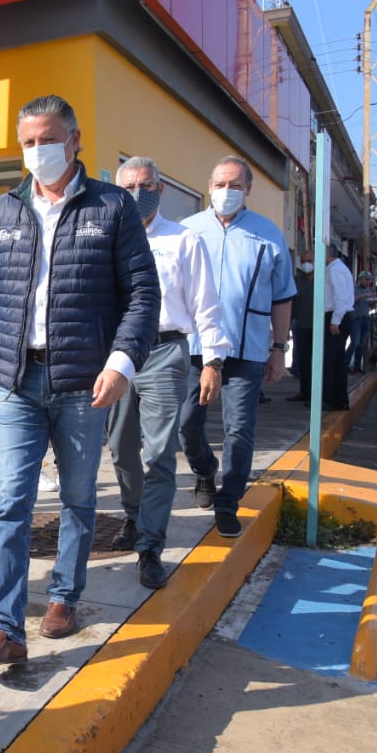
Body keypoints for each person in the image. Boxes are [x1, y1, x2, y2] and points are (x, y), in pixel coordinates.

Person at [0, 95, 159, 664]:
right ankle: (5, 627)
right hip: (18, 382)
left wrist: (121, 363)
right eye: (26, 142)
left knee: (76, 498)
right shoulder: (3, 210)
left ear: (74, 140)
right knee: (12, 504)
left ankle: (65, 597)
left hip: (83, 383)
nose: (37, 151)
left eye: (47, 139)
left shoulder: (113, 207)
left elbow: (143, 294)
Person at [105, 157, 230, 590]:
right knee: (120, 449)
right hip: (118, 355)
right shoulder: (109, 238)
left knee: (158, 454)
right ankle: (133, 515)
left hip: (165, 352)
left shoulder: (183, 240)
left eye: (145, 186)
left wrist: (213, 361)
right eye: (128, 187)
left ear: (159, 189)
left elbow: (205, 304)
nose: (137, 194)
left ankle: (150, 547)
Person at [179, 156, 295, 540]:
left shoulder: (268, 234)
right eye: (219, 183)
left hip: (247, 350)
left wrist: (278, 348)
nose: (225, 191)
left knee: (240, 430)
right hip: (194, 348)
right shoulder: (188, 231)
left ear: (248, 189)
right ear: (208, 186)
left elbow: (282, 297)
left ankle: (228, 503)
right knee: (186, 423)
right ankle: (203, 470)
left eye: (234, 184)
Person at [322, 245, 355, 411]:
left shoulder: (335, 270)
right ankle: (336, 399)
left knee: (331, 361)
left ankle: (332, 399)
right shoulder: (337, 268)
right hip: (336, 315)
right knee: (334, 361)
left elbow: (341, 297)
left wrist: (335, 320)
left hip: (336, 316)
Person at [287, 251, 314, 402]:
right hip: (300, 325)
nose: (306, 263)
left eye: (309, 260)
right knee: (302, 360)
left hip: (319, 327)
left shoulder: (323, 280)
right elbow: (289, 303)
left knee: (317, 361)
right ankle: (304, 391)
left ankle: (317, 392)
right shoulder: (296, 281)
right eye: (303, 261)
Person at [348, 270, 377, 373]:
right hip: (356, 318)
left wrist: (373, 302)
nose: (368, 282)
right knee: (355, 343)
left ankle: (357, 366)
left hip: (366, 317)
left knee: (362, 344)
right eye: (366, 279)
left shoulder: (369, 289)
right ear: (360, 279)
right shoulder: (353, 289)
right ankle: (345, 363)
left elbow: (369, 305)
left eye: (369, 280)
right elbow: (351, 301)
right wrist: (364, 296)